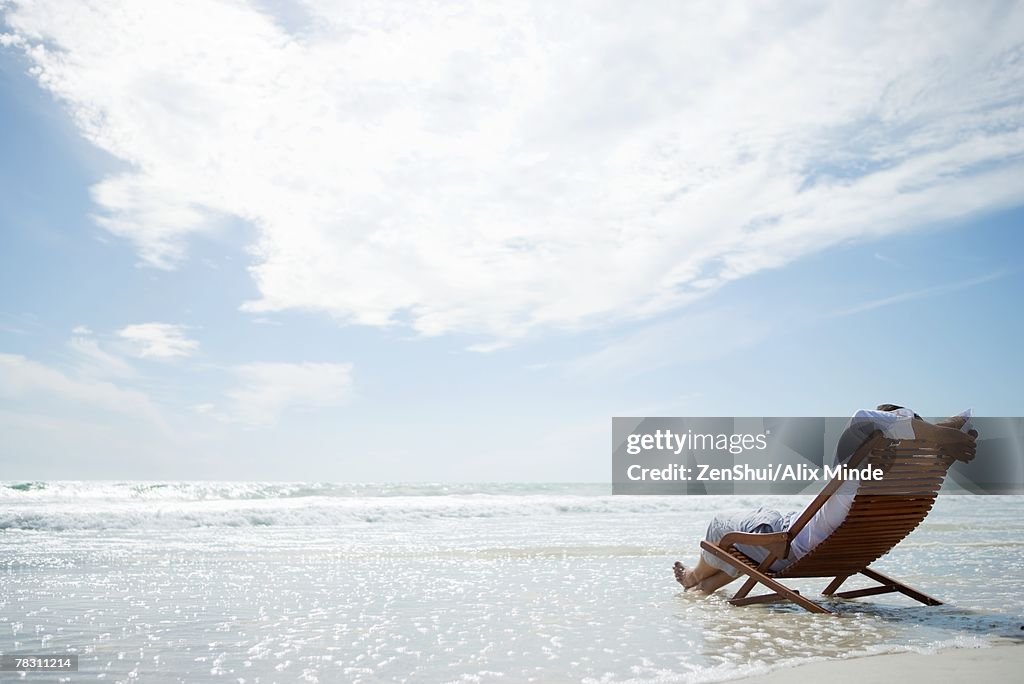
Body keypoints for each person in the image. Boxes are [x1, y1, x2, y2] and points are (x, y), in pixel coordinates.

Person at [673, 405, 978, 594]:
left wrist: (938, 434)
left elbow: (863, 418)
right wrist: (945, 446)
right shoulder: (912, 486)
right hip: (848, 551)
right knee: (763, 525)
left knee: (720, 528)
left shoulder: (856, 465)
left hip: (786, 545)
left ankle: (694, 576)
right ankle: (707, 587)